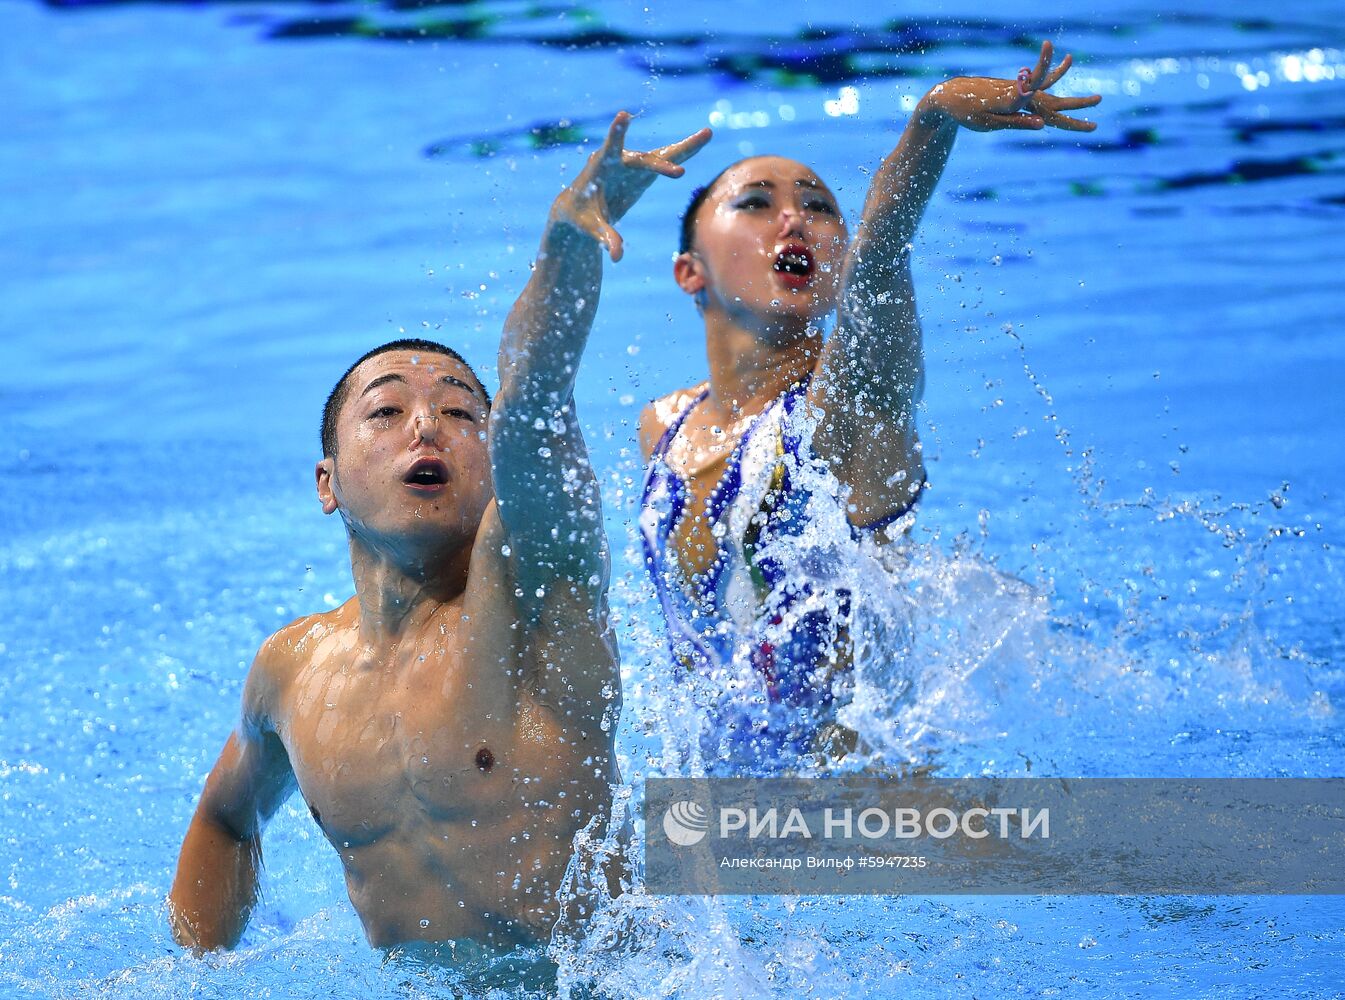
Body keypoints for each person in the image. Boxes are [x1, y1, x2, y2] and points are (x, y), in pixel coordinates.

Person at [167, 113, 710, 972]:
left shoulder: (534, 591)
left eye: (461, 413)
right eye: (386, 411)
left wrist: (564, 249)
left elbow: (536, 399)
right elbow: (228, 821)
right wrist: (189, 977)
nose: (428, 425)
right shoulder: (292, 671)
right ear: (328, 483)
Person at [635, 42, 1101, 770]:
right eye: (756, 204)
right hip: (727, 813)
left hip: (863, 808)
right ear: (687, 271)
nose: (793, 221)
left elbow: (881, 255)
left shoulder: (850, 407)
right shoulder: (665, 425)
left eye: (818, 209)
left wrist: (932, 120)